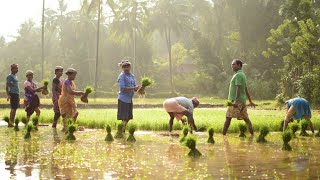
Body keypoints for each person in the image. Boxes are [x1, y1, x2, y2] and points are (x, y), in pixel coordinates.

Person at [222, 59, 255, 136]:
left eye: (234, 64)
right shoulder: (242, 75)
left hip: (235, 101)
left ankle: (223, 136)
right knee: (246, 118)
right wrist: (250, 101)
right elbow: (245, 89)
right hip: (242, 101)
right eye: (232, 64)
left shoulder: (238, 75)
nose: (232, 66)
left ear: (239, 65)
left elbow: (238, 88)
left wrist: (235, 102)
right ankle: (252, 134)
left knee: (228, 118)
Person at [117, 60, 141, 132]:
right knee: (124, 117)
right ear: (122, 68)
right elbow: (123, 88)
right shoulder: (121, 76)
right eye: (124, 67)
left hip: (129, 99)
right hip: (123, 99)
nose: (126, 68)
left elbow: (134, 87)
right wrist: (134, 88)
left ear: (130, 67)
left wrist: (140, 88)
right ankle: (122, 131)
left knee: (128, 117)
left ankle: (123, 130)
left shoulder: (132, 76)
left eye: (128, 66)